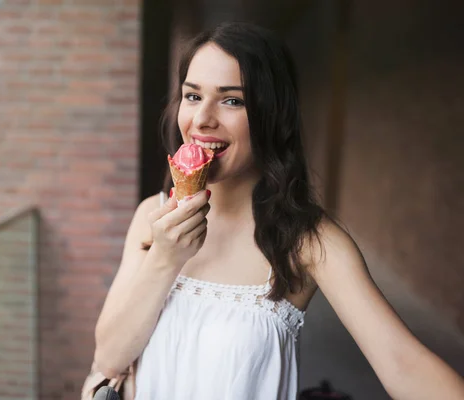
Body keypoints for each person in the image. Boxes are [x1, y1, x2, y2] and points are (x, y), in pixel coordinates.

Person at [93, 22, 464, 399]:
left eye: (232, 100)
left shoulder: (308, 241)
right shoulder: (150, 216)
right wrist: (164, 259)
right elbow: (108, 358)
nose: (202, 118)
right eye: (192, 96)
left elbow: (402, 363)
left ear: (271, 114)